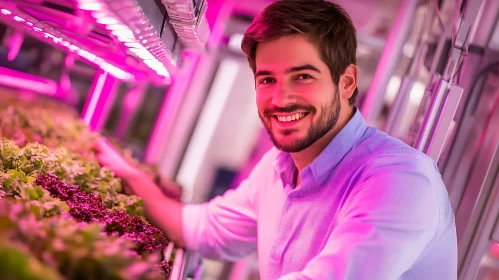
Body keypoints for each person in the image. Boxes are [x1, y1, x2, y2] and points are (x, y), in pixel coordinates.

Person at [94, 0, 458, 279]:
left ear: (346, 82)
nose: (281, 98)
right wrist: (131, 176)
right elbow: (203, 229)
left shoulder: (401, 180)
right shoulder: (278, 167)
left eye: (302, 76)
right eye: (267, 79)